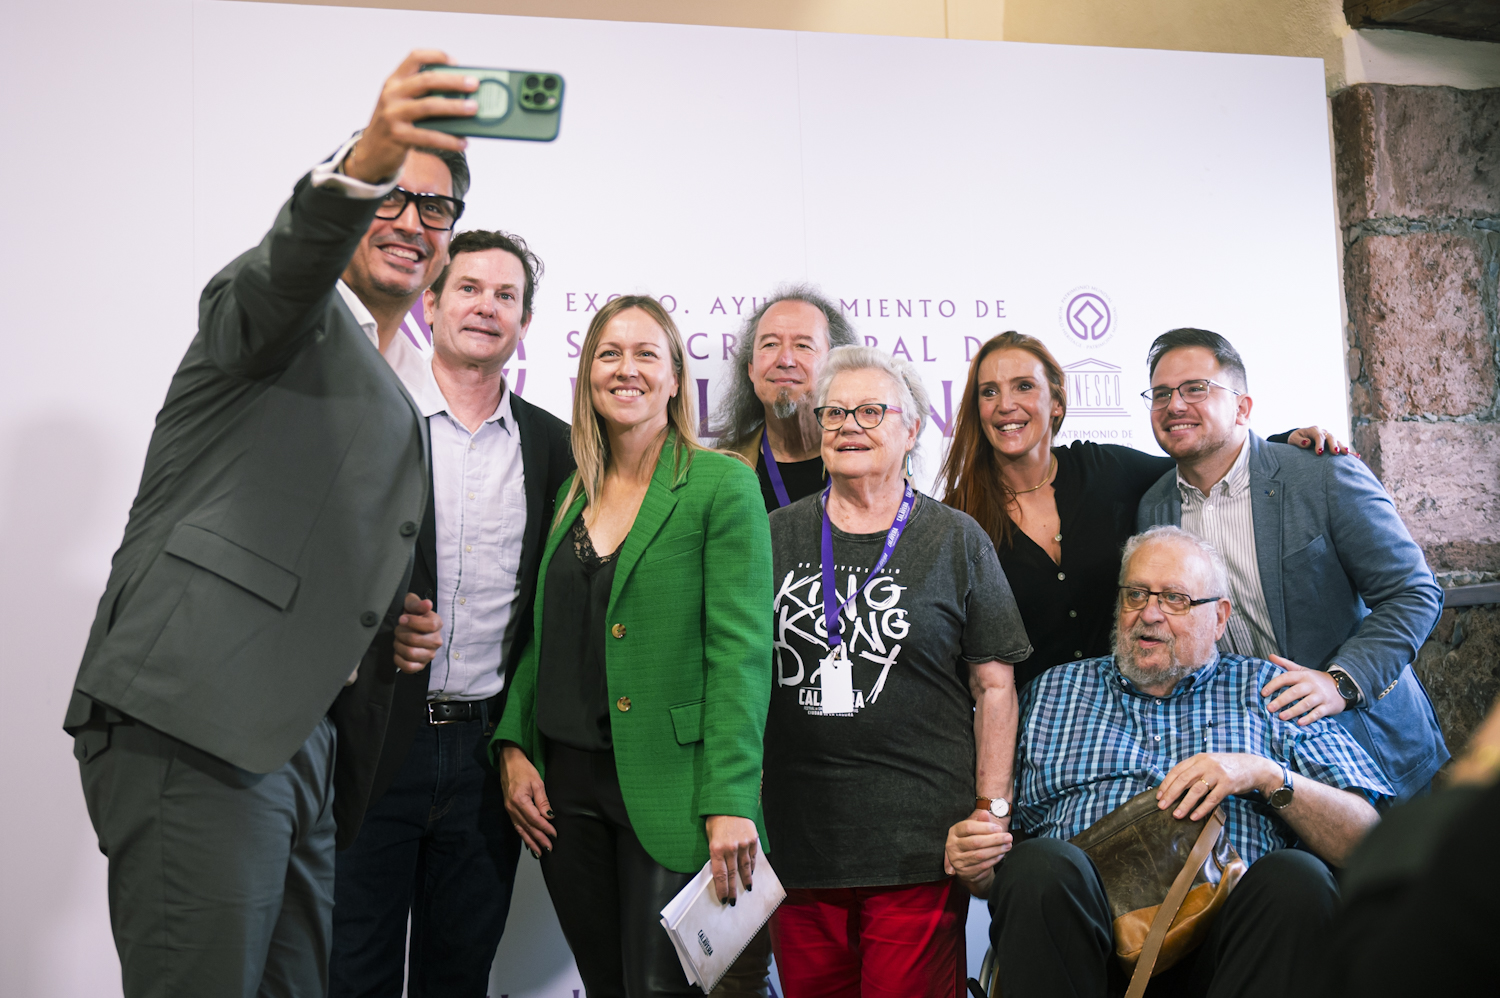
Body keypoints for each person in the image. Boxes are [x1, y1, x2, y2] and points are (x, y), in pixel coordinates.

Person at [64, 51, 480, 997]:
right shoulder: (281, 312)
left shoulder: (399, 378)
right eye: (392, 194)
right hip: (199, 717)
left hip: (304, 744)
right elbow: (287, 266)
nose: (412, 223)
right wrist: (363, 163)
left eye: (436, 209)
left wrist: (385, 631)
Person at [951, 526, 1391, 998]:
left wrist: (1263, 774)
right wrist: (978, 865)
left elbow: (1366, 841)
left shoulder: (1269, 691)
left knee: (1298, 880)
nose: (1150, 614)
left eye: (1176, 599)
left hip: (1235, 950)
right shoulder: (1055, 692)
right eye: (1136, 595)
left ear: (1220, 618)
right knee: (1038, 864)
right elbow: (1002, 865)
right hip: (1087, 949)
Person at [493, 295, 773, 995]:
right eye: (609, 353)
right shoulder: (570, 492)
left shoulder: (721, 484)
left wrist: (732, 798)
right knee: (607, 984)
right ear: (588, 373)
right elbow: (544, 635)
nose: (627, 369)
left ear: (677, 378)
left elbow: (741, 654)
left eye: (647, 353)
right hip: (569, 794)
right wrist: (513, 744)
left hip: (675, 789)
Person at [330, 230, 574, 997]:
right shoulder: (372, 420)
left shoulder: (559, 449)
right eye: (468, 288)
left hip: (485, 758)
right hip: (373, 744)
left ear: (525, 324)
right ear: (429, 302)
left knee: (458, 977)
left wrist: (521, 738)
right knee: (351, 971)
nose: (486, 307)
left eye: (506, 296)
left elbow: (553, 618)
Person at [763, 345, 1032, 996]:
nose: (848, 425)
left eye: (870, 411)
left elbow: (994, 685)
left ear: (911, 429)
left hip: (918, 846)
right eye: (833, 413)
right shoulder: (769, 535)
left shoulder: (956, 538)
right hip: (797, 843)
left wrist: (991, 812)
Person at [1136, 328, 1448, 802]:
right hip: (1258, 767)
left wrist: (1340, 682)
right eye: (1161, 394)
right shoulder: (1154, 508)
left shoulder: (1323, 474)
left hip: (1371, 745)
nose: (1175, 404)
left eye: (1195, 388)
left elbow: (1414, 593)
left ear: (1242, 408)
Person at [937, 331, 1345, 692]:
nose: (1005, 404)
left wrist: (1279, 443)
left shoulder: (1107, 471)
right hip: (1038, 731)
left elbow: (1199, 458)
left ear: (1057, 403)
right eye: (988, 392)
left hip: (1133, 718)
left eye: (1023, 386)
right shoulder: (957, 518)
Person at [715, 286, 860, 512]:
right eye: (770, 344)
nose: (785, 360)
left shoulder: (868, 459)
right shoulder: (722, 468)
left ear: (835, 366)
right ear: (751, 369)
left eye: (803, 345)